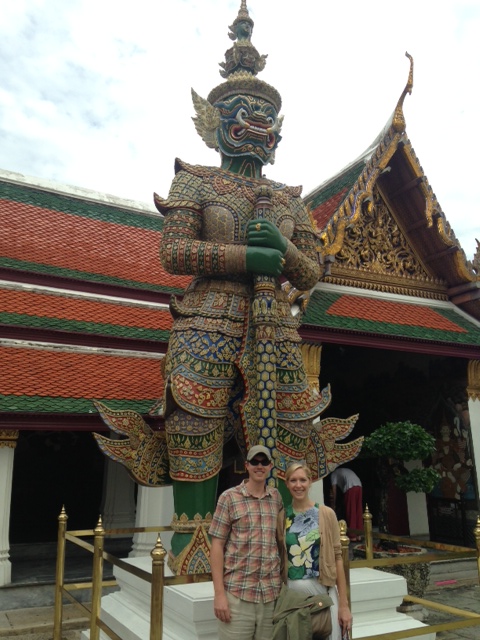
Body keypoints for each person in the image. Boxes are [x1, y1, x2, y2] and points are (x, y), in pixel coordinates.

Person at [154, 1, 324, 570]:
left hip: (276, 326)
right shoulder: (194, 182)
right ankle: (193, 546)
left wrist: (283, 249)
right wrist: (246, 255)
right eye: (243, 112)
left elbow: (312, 271)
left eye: (265, 115)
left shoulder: (289, 199)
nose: (257, 124)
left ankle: (292, 549)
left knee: (290, 432)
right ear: (214, 121)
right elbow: (174, 253)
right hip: (208, 315)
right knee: (195, 421)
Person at [209, 445, 286, 640]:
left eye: (264, 462)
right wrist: (219, 594)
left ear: (270, 466)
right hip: (238, 593)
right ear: (247, 465)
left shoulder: (275, 498)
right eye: (255, 462)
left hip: (270, 594)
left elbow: (280, 541)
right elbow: (217, 545)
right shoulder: (229, 498)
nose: (259, 466)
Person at [284, 462, 352, 640]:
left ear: (310, 482)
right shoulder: (282, 517)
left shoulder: (326, 514)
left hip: (323, 593)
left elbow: (338, 558)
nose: (298, 485)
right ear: (287, 484)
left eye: (302, 480)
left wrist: (344, 605)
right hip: (293, 598)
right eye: (293, 480)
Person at [330, 467, 363, 541]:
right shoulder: (342, 471)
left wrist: (334, 504)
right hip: (359, 485)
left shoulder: (333, 474)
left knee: (351, 510)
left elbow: (334, 490)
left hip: (350, 487)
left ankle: (352, 535)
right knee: (358, 509)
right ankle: (359, 534)